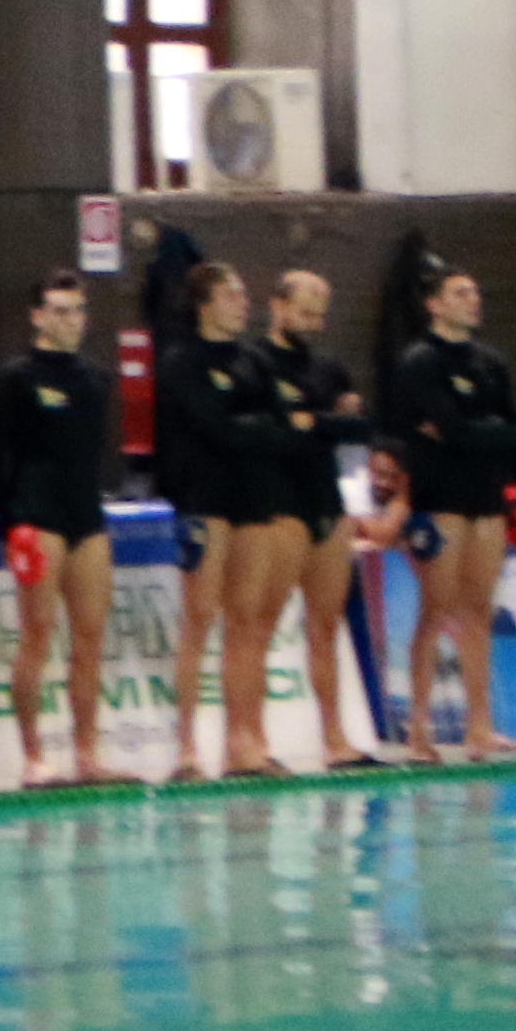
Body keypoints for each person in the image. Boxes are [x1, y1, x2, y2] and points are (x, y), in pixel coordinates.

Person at [381, 271, 516, 759]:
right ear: (434, 305)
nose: (473, 300)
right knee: (435, 611)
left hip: (485, 497)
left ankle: (479, 727)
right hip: (439, 497)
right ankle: (418, 728)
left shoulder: (492, 363)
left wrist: (468, 430)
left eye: (476, 291)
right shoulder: (420, 361)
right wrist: (474, 431)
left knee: (478, 614)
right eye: (461, 293)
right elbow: (459, 428)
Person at [0, 274, 116, 784]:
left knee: (90, 637)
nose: (71, 321)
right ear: (37, 316)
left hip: (85, 515)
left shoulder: (94, 379)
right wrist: (8, 525)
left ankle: (87, 752)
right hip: (37, 516)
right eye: (60, 310)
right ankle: (33, 754)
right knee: (37, 635)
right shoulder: (15, 378)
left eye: (78, 310)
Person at [152, 262, 282, 781]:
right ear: (204, 303)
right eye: (231, 294)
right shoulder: (180, 360)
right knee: (200, 618)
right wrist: (254, 427)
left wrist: (249, 427)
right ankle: (185, 745)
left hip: (250, 497)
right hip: (203, 497)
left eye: (244, 293)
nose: (242, 302)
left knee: (248, 622)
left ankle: (243, 741)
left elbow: (277, 425)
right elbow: (218, 428)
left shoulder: (253, 360)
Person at [261, 270, 384, 771]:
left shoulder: (327, 371)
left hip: (326, 505)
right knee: (259, 628)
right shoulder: (255, 364)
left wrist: (317, 421)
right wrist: (322, 424)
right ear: (279, 306)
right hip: (279, 506)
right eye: (306, 311)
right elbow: (277, 432)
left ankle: (334, 736)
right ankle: (250, 741)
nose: (314, 322)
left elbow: (358, 427)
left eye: (320, 313)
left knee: (325, 628)